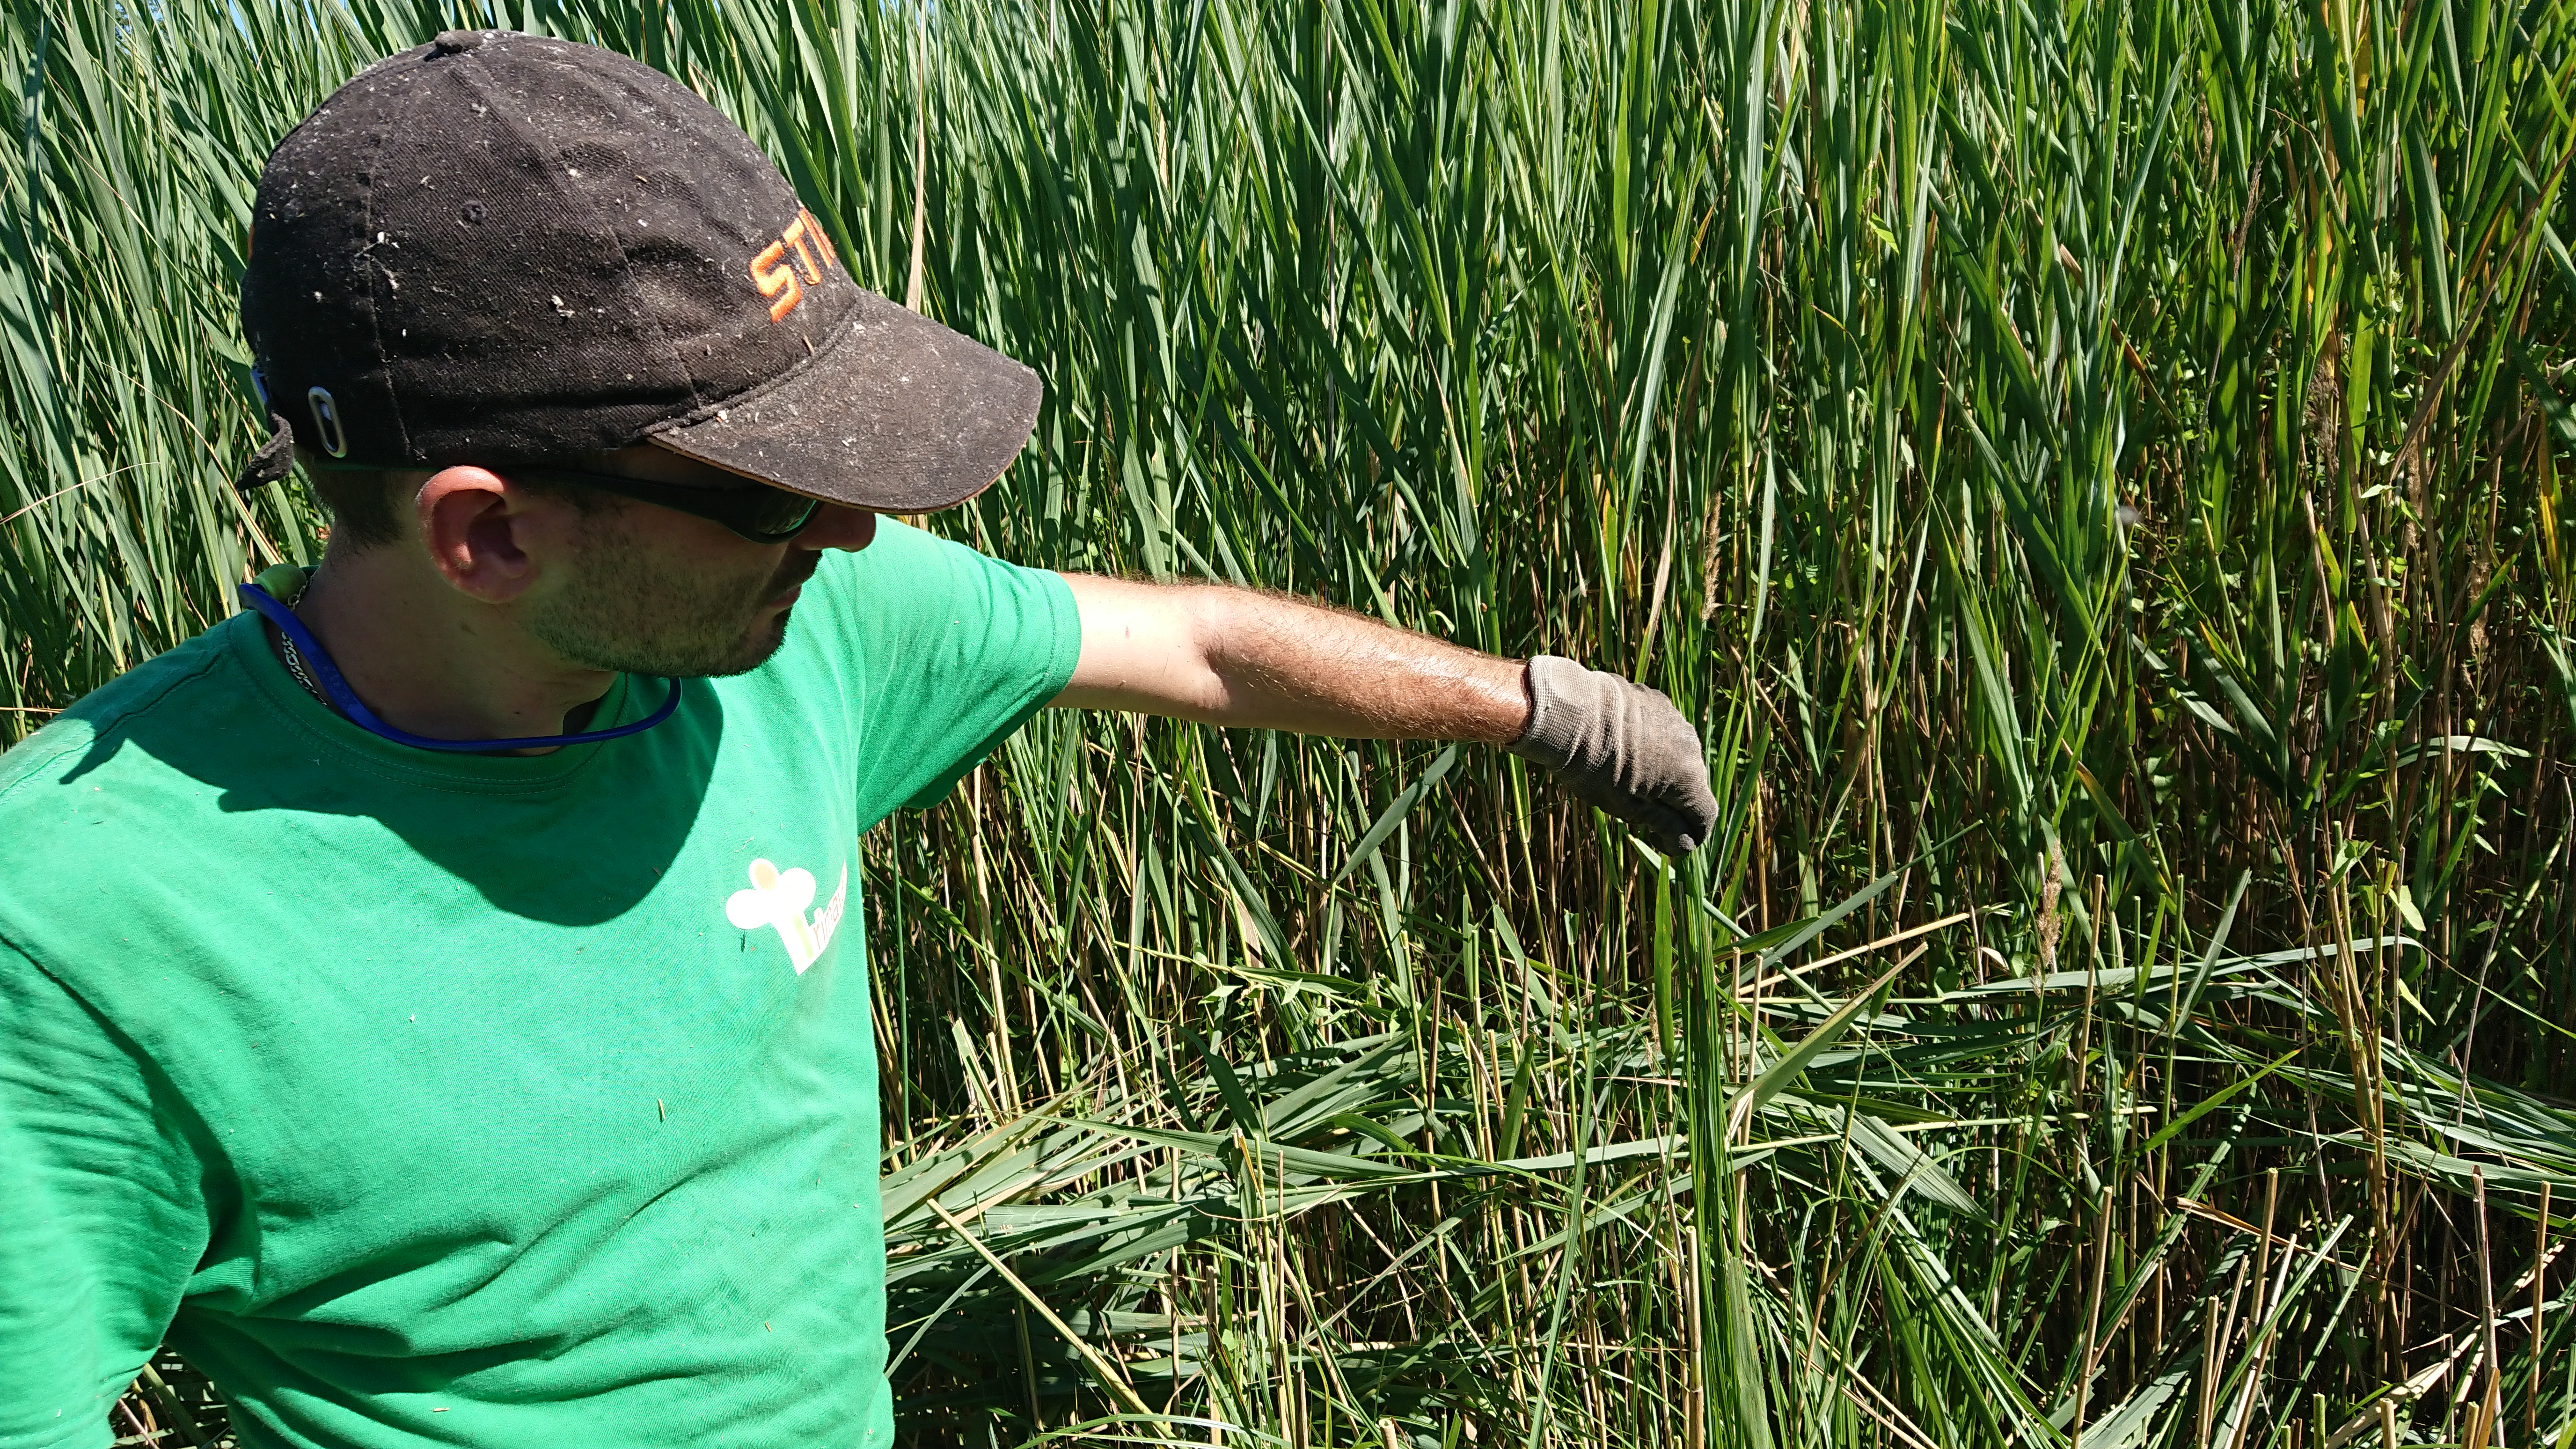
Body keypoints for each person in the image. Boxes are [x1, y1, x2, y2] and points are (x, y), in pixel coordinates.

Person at [0, 30, 1714, 1449]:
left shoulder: (788, 635)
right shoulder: (92, 931)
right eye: (771, 493)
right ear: (487, 534)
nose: (845, 536)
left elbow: (1187, 641)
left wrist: (1540, 710)